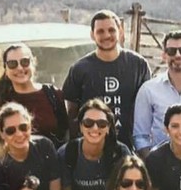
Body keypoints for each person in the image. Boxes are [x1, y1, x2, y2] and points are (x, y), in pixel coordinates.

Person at [63, 9, 151, 147]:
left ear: (120, 31)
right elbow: (72, 114)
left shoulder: (138, 65)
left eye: (111, 30)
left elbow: (146, 108)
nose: (106, 35)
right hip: (91, 149)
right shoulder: (79, 69)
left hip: (129, 147)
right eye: (100, 31)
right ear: (92, 35)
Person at [58, 100, 132, 190]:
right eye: (88, 123)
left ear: (109, 127)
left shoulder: (120, 153)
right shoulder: (68, 153)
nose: (95, 128)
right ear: (80, 126)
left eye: (101, 124)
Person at [0, 43, 68, 147]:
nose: (20, 68)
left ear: (33, 63)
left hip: (51, 161)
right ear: (6, 69)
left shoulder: (53, 94)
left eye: (25, 62)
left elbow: (66, 133)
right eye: (12, 64)